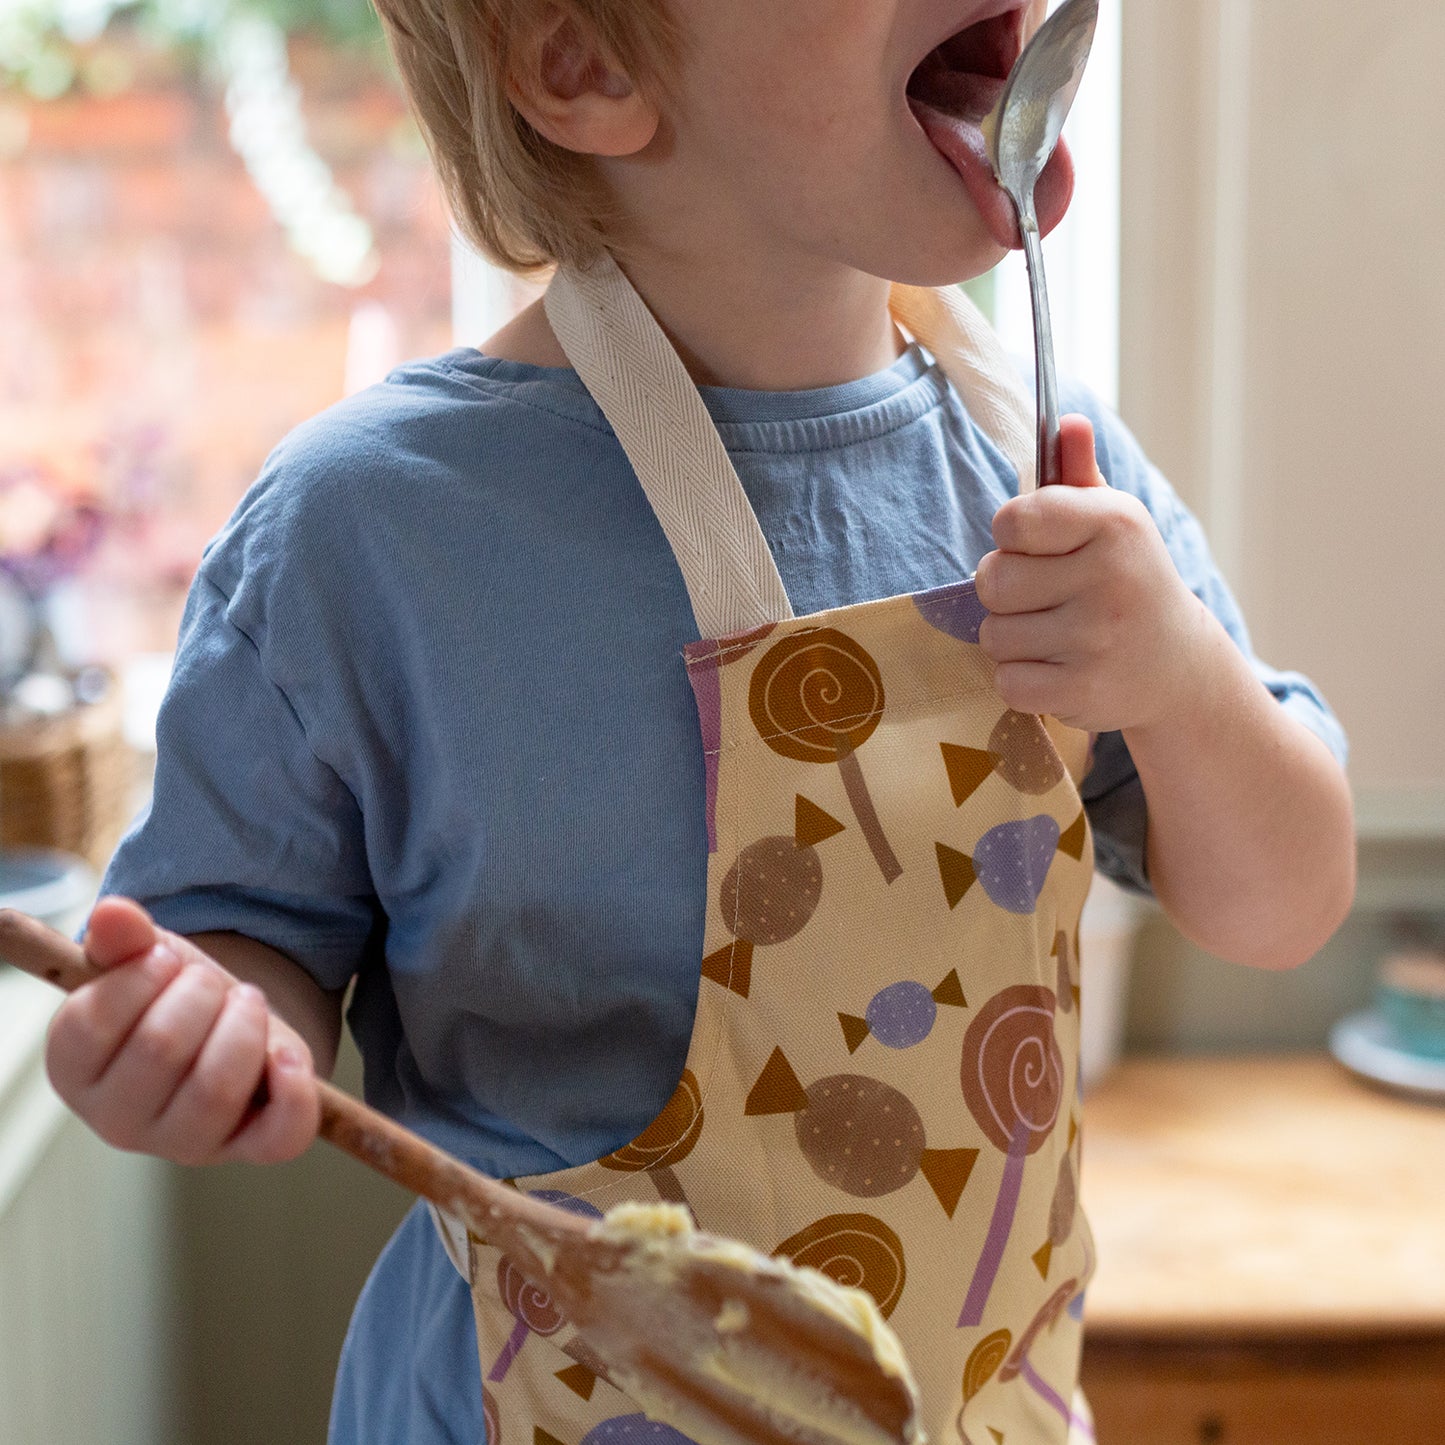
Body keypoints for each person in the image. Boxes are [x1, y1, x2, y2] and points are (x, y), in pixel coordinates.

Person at [45, 2, 1356, 1442]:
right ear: (584, 65)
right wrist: (205, 1021)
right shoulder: (370, 533)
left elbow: (1282, 903)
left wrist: (1178, 680)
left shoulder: (1040, 455)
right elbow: (236, 937)